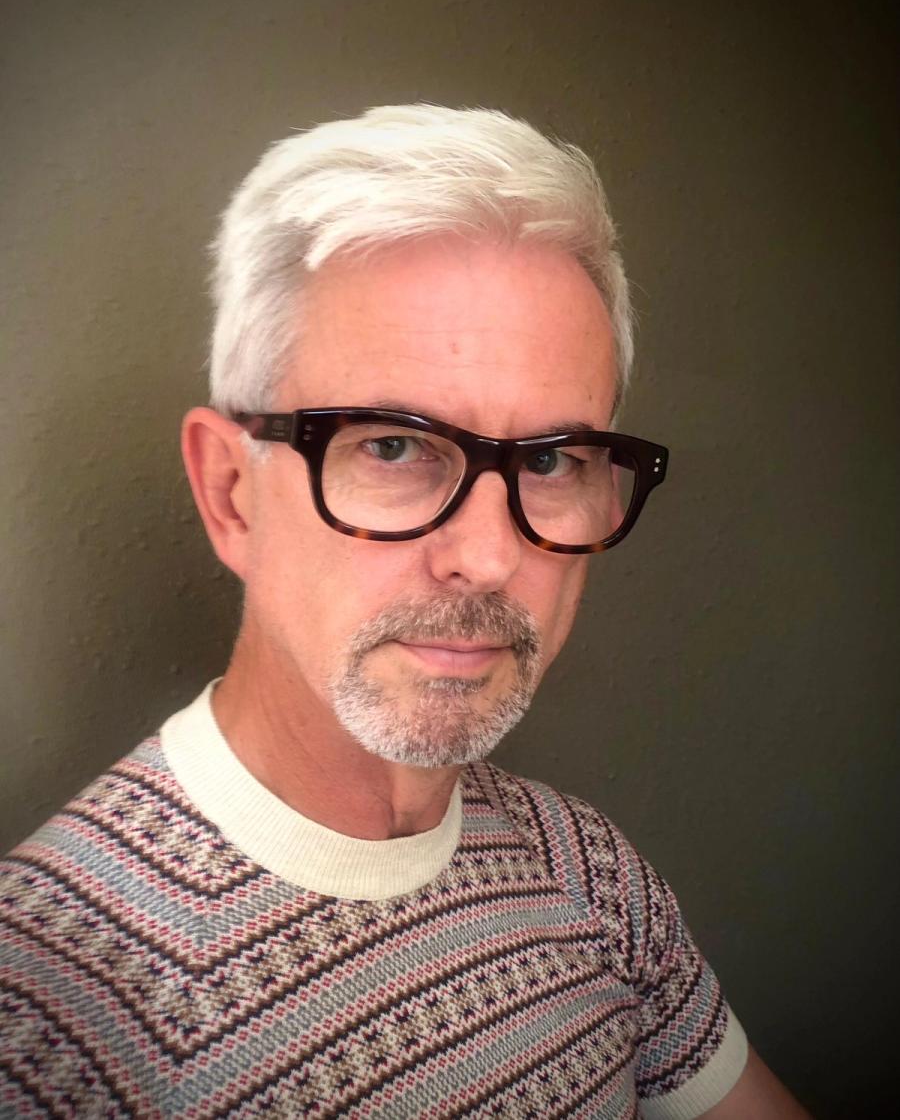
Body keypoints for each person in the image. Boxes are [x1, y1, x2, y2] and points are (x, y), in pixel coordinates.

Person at [0, 104, 809, 1118]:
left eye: (552, 461)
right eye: (392, 446)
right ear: (231, 493)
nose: (489, 557)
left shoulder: (589, 871)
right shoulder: (44, 1017)